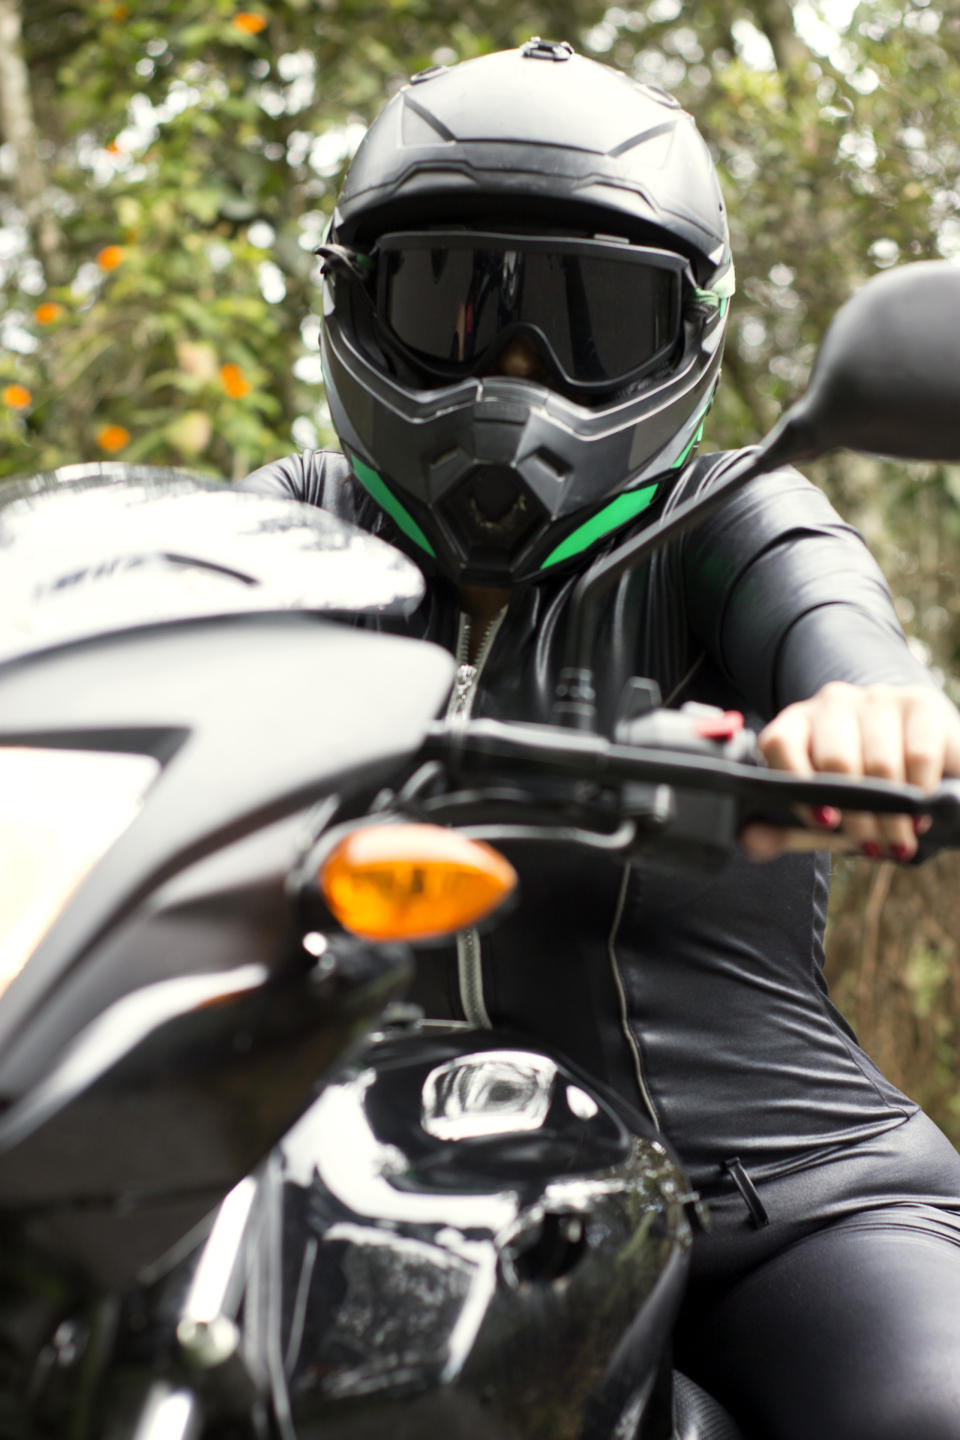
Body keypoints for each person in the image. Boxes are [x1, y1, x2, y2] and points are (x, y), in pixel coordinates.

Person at [240, 41, 960, 1440]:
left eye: (591, 321)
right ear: (355, 301)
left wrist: (872, 712)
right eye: (455, 304)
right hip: (375, 1199)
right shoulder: (292, 524)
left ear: (688, 331)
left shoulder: (734, 519)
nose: (517, 378)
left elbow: (840, 632)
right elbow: (142, 626)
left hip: (775, 1204)